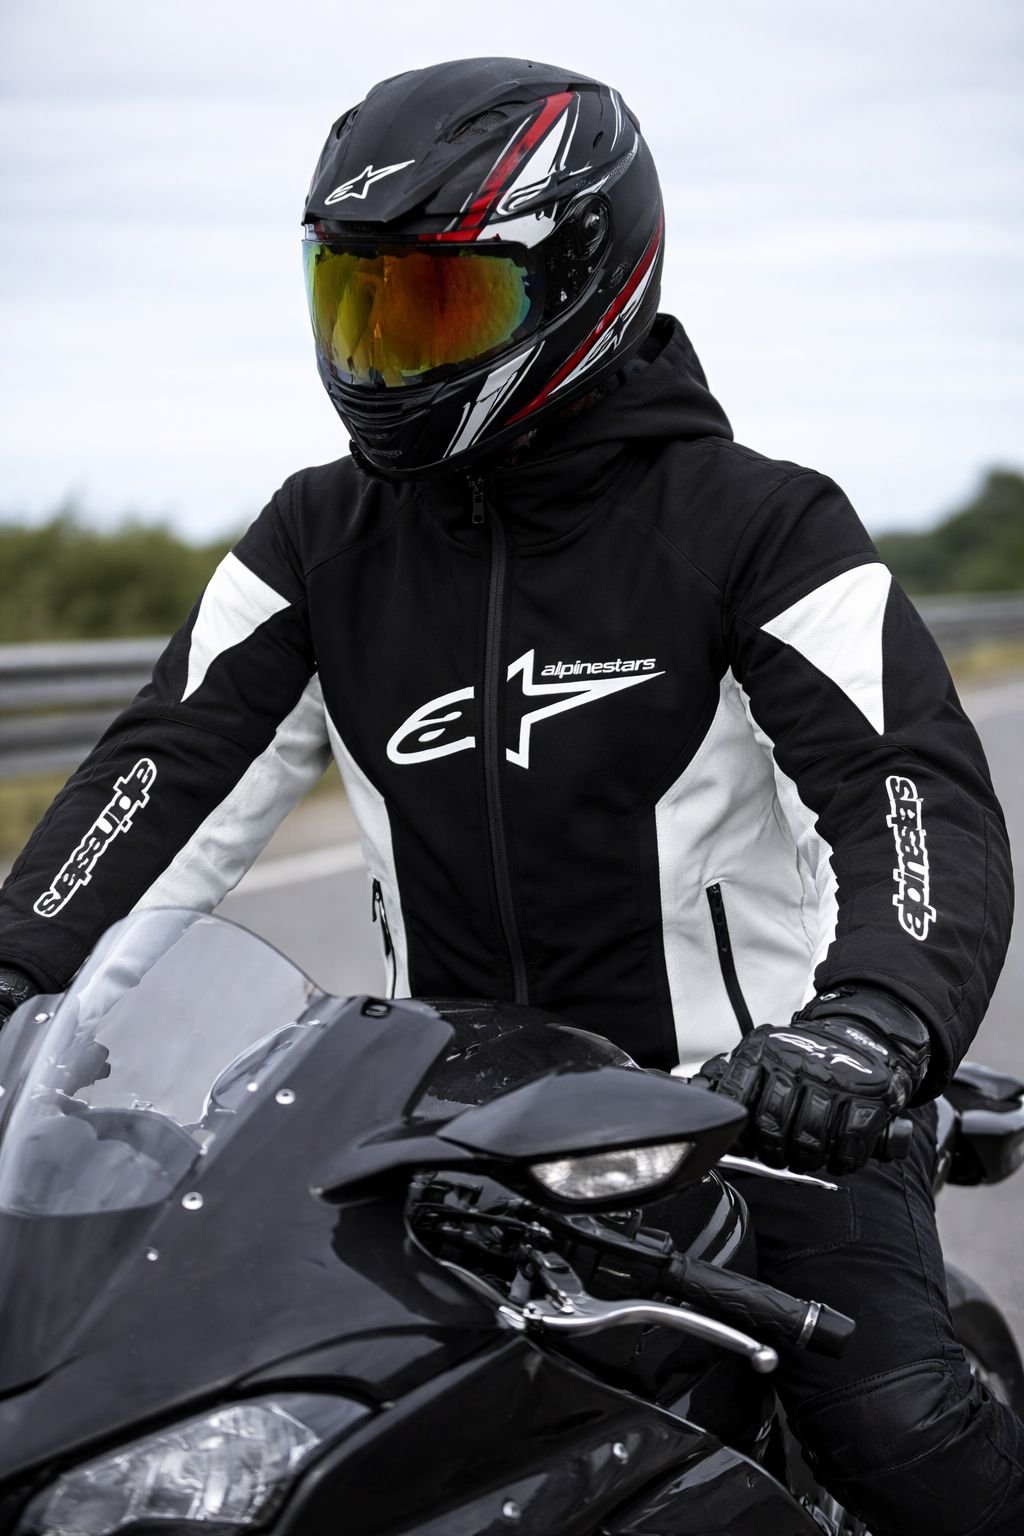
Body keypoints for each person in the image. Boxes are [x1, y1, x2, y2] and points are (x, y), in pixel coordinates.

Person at [0, 56, 1020, 1533]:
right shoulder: (317, 537)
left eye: (438, 307)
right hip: (426, 1126)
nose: (381, 359)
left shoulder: (758, 523)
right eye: (356, 303)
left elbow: (905, 792)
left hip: (749, 1114)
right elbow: (155, 782)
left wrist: (868, 1025)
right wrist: (17, 968)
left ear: (585, 281)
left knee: (897, 1426)